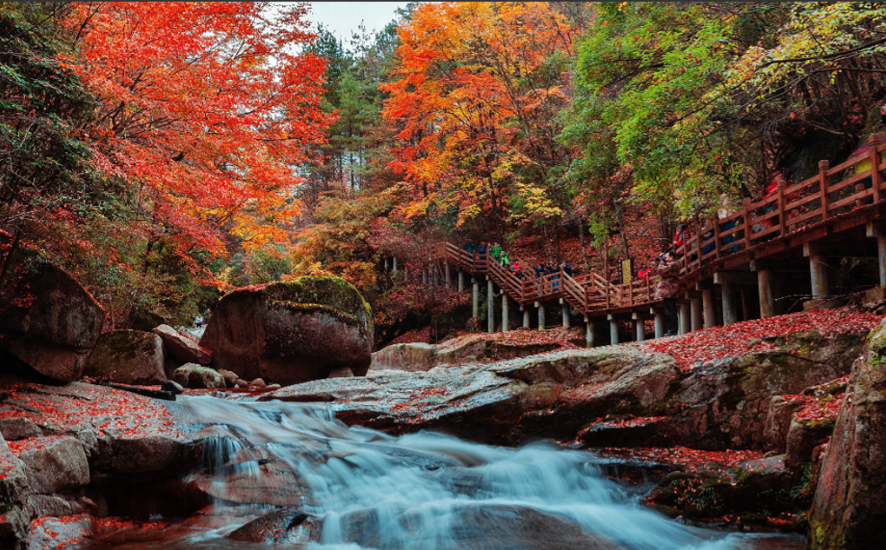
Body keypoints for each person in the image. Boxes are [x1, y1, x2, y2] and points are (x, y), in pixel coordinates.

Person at [654, 251, 681, 336]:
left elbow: (661, 271)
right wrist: (663, 262)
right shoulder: (672, 264)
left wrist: (661, 263)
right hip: (668, 290)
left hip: (669, 290)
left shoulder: (674, 264)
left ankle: (673, 330)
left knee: (671, 311)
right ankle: (671, 330)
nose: (665, 259)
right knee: (669, 311)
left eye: (666, 257)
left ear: (671, 257)